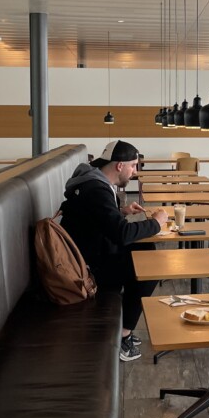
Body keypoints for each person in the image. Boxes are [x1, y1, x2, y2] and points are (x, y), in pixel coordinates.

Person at [59, 140, 168, 362]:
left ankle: (125, 325)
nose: (135, 172)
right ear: (120, 165)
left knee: (146, 250)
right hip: (85, 268)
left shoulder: (93, 182)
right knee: (151, 266)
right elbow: (122, 234)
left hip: (87, 252)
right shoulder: (97, 189)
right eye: (133, 165)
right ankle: (123, 335)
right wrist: (157, 222)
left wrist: (120, 211)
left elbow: (97, 218)